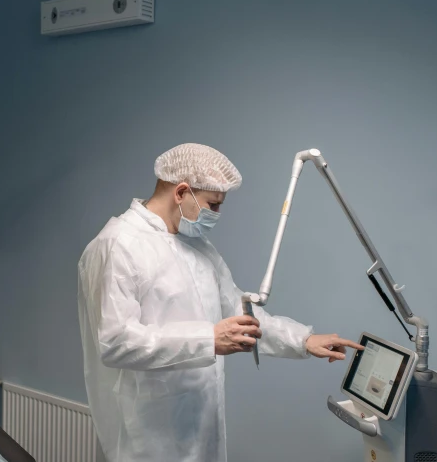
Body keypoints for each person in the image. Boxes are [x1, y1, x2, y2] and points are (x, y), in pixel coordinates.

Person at [77, 143, 363, 462]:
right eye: (213, 204)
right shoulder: (118, 246)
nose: (217, 214)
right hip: (148, 434)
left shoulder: (197, 246)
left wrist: (304, 339)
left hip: (200, 422)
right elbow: (116, 342)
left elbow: (238, 311)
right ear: (181, 192)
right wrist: (209, 339)